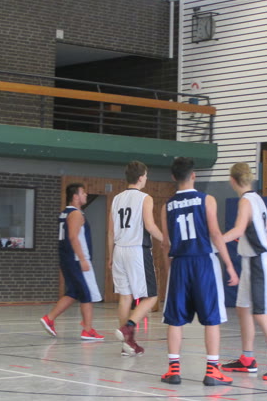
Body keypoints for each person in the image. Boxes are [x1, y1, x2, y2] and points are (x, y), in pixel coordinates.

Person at [159, 157, 239, 386]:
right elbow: (215, 233)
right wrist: (229, 265)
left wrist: (169, 269)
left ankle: (173, 370)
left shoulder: (167, 206)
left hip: (179, 263)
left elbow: (165, 243)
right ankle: (212, 371)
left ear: (173, 177)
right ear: (193, 175)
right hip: (204, 261)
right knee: (211, 318)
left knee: (175, 319)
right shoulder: (207, 200)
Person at [221, 163, 267, 381]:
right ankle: (247, 358)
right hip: (251, 259)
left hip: (258, 262)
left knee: (260, 313)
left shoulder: (246, 201)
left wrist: (215, 241)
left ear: (232, 181)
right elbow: (263, 231)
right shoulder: (257, 198)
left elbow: (238, 230)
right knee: (243, 308)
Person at [110, 161, 163, 356]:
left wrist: (110, 255)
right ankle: (129, 327)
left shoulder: (116, 199)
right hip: (136, 250)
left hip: (119, 250)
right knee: (152, 296)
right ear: (141, 177)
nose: (146, 178)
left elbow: (111, 232)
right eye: (146, 175)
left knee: (125, 297)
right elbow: (150, 226)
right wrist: (166, 240)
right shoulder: (145, 198)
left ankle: (127, 345)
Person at [40, 182, 105, 341]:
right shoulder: (76, 214)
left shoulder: (65, 213)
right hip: (76, 259)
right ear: (75, 196)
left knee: (73, 292)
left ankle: (49, 318)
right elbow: (73, 237)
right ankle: (87, 330)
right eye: (83, 193)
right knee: (86, 294)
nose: (86, 195)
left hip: (67, 258)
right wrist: (82, 259)